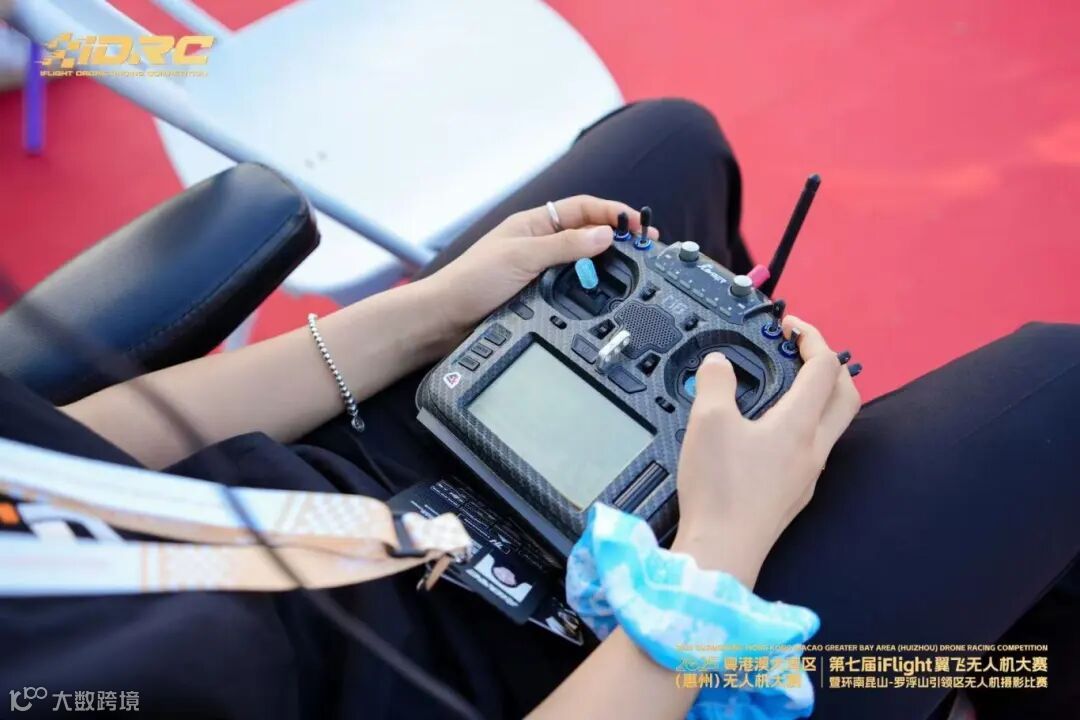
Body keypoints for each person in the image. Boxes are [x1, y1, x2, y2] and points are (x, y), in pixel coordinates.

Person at [1, 100, 1077, 720]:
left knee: (666, 146)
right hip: (553, 677)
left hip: (337, 493)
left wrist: (417, 321)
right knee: (1057, 396)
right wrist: (718, 549)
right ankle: (971, 677)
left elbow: (76, 451)